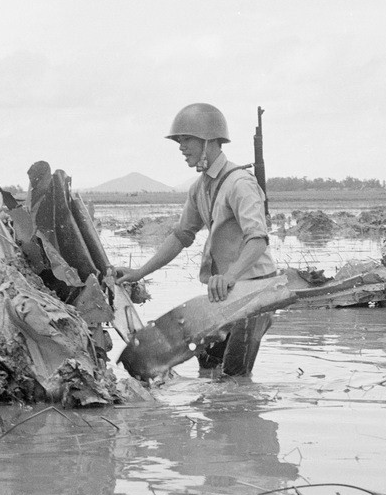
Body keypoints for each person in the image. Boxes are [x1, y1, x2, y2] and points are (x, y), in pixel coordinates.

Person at [115, 103, 277, 376]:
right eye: (179, 140)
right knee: (209, 364)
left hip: (254, 291)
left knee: (235, 375)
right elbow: (181, 236)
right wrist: (139, 273)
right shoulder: (199, 188)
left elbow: (258, 239)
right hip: (224, 292)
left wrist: (230, 276)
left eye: (187, 139)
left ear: (209, 141)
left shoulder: (240, 184)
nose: (181, 147)